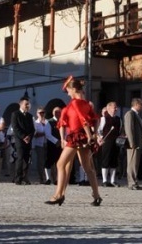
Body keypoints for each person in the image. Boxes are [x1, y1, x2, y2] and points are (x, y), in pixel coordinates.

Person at [46, 76, 102, 207]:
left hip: (76, 136)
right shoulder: (86, 104)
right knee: (87, 168)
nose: (67, 93)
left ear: (74, 89)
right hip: (81, 137)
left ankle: (58, 195)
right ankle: (97, 196)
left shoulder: (75, 103)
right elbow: (96, 119)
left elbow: (83, 120)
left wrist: (90, 135)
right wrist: (93, 134)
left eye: (68, 91)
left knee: (60, 164)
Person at [11, 97, 35, 185]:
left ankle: (25, 177)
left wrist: (29, 137)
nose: (28, 106)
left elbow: (32, 129)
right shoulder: (15, 114)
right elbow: (15, 127)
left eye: (28, 104)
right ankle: (18, 178)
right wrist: (24, 137)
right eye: (26, 104)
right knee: (20, 159)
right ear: (20, 104)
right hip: (20, 140)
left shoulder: (30, 116)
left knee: (27, 159)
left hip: (28, 141)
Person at [97, 101, 121, 187]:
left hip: (116, 142)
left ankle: (113, 180)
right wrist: (100, 138)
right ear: (109, 108)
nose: (116, 109)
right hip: (106, 141)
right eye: (114, 107)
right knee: (106, 160)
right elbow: (99, 130)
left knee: (114, 161)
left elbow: (120, 130)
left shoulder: (119, 119)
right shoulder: (104, 119)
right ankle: (104, 180)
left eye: (116, 107)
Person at [123, 97, 142, 190]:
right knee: (132, 163)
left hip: (138, 142)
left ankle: (135, 182)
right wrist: (132, 142)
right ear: (136, 104)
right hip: (133, 143)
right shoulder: (130, 114)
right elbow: (129, 129)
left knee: (135, 164)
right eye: (141, 104)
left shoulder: (136, 115)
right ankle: (131, 183)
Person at [32, 107, 58, 184]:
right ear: (37, 114)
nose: (42, 114)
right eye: (40, 113)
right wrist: (46, 133)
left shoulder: (48, 122)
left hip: (48, 143)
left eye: (43, 112)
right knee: (41, 161)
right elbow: (35, 134)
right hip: (39, 144)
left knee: (50, 161)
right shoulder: (35, 123)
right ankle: (42, 178)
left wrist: (46, 134)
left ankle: (51, 178)